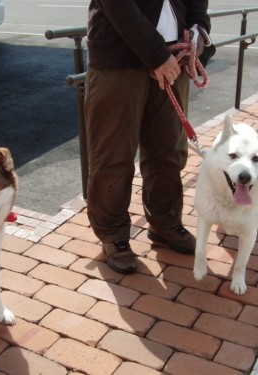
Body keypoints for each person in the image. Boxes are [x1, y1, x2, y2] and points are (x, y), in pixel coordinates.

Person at [84, 0, 211, 274]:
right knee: (113, 154)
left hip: (174, 55)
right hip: (119, 57)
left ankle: (165, 222)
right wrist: (156, 54)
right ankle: (113, 234)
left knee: (168, 149)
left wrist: (200, 28)